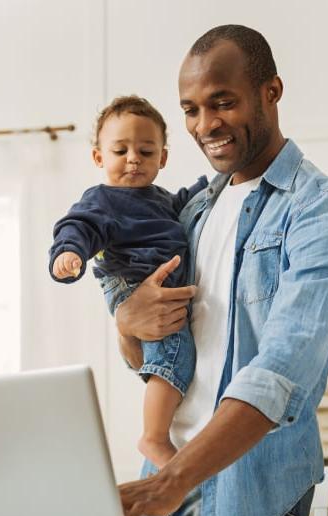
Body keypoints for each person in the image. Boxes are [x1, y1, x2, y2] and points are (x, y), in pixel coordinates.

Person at [116, 25, 328, 516]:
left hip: (252, 492)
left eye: (222, 102)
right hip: (163, 476)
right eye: (190, 109)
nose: (205, 124)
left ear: (271, 91)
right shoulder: (190, 211)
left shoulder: (318, 210)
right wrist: (126, 324)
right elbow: (154, 359)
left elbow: (279, 374)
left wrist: (174, 480)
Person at [49, 95, 207, 468]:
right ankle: (153, 437)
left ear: (163, 158)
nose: (133, 158)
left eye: (146, 151)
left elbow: (182, 205)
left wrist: (211, 184)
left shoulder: (158, 199)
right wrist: (68, 253)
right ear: (98, 157)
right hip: (132, 282)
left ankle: (157, 432)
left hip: (152, 284)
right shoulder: (104, 200)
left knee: (171, 357)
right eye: (120, 150)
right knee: (173, 356)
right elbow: (79, 226)